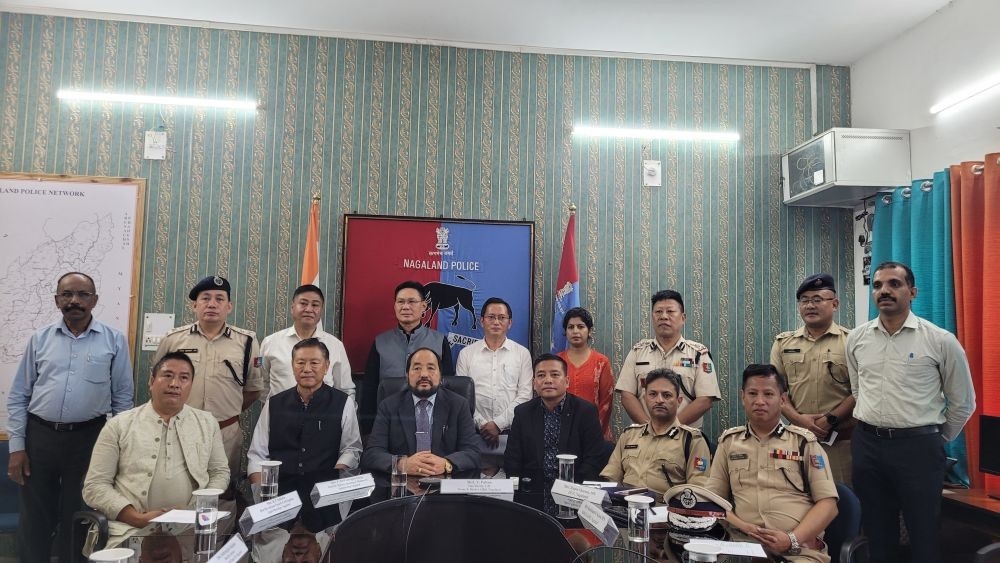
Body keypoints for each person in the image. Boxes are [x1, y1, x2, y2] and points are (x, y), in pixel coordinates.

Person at [847, 261, 975, 563]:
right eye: (878, 286)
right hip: (868, 445)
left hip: (918, 449)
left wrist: (933, 439)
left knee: (923, 533)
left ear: (912, 292)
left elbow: (963, 403)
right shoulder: (857, 339)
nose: (884, 291)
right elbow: (858, 391)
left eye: (894, 284)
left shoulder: (940, 340)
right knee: (877, 533)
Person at [6, 272, 134, 563]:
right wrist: (17, 448)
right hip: (40, 437)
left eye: (83, 294)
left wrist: (121, 450)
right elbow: (18, 396)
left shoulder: (113, 340)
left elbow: (123, 400)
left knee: (80, 514)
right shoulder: (39, 339)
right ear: (56, 300)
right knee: (34, 518)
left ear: (95, 300)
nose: (74, 300)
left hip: (90, 438)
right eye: (67, 294)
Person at [82, 352, 229, 550]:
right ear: (152, 381)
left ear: (190, 386)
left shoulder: (207, 423)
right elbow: (95, 486)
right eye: (167, 375)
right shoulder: (119, 425)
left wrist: (195, 509)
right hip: (130, 529)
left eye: (184, 378)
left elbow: (220, 472)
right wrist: (136, 518)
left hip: (189, 528)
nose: (175, 383)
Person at [707, 364, 839, 563]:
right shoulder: (729, 443)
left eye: (768, 394)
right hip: (742, 547)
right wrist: (744, 526)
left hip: (798, 550)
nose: (760, 401)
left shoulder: (803, 442)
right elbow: (712, 502)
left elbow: (829, 505)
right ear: (743, 397)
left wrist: (791, 539)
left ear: (782, 399)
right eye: (752, 393)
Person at [154, 275, 265, 478]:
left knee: (222, 491)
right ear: (194, 305)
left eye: (219, 299)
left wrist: (227, 412)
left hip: (226, 432)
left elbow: (254, 389)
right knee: (178, 487)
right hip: (180, 429)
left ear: (229, 306)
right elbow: (157, 386)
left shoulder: (247, 342)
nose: (212, 304)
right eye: (205, 298)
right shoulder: (173, 340)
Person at [248, 338, 362, 532]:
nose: (307, 369)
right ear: (292, 366)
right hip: (279, 498)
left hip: (324, 497)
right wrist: (264, 499)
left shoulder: (342, 402)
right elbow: (257, 454)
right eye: (300, 363)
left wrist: (332, 480)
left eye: (314, 363)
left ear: (326, 366)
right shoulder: (274, 404)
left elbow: (351, 449)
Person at [770, 273, 854, 486]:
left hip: (841, 443)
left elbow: (861, 391)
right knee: (799, 499)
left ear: (834, 304)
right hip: (798, 439)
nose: (810, 306)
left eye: (817, 299)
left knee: (842, 503)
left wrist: (829, 420)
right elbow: (775, 390)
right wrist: (798, 420)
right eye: (804, 300)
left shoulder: (852, 342)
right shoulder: (783, 343)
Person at [361, 347, 480, 481]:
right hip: (402, 487)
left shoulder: (459, 405)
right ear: (407, 375)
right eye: (416, 368)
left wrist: (447, 464)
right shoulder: (389, 406)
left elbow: (473, 453)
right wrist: (401, 464)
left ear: (440, 376)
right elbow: (372, 454)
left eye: (431, 368)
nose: (424, 374)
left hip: (445, 487)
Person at [616, 290, 721, 429]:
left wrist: (671, 427)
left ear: (683, 318)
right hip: (645, 437)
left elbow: (706, 399)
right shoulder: (637, 352)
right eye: (658, 312)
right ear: (652, 317)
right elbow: (627, 395)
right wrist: (650, 429)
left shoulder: (699, 354)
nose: (664, 316)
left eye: (670, 312)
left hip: (685, 437)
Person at [360, 281, 453, 435]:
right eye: (400, 302)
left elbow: (447, 384)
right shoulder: (380, 342)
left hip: (430, 422)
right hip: (388, 422)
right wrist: (368, 428)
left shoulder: (439, 341)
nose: (405, 307)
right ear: (395, 306)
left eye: (412, 302)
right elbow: (370, 388)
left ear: (423, 306)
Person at [503, 353, 610, 488]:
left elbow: (594, 458)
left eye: (555, 375)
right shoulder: (522, 412)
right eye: (541, 375)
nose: (548, 380)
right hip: (533, 491)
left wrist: (573, 491)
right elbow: (512, 459)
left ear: (567, 382)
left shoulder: (585, 411)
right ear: (534, 383)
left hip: (574, 491)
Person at [601, 369, 711, 494]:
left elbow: (697, 491)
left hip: (665, 510)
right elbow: (611, 478)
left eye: (667, 395)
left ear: (679, 401)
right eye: (653, 394)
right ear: (645, 398)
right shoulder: (629, 435)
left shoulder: (692, 440)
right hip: (625, 508)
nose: (659, 400)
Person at [455, 297, 533, 452]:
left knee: (511, 475)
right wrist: (483, 424)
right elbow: (462, 397)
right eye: (491, 317)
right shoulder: (466, 354)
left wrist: (498, 424)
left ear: (509, 323)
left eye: (502, 318)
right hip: (474, 433)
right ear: (482, 321)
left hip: (512, 433)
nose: (496, 322)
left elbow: (525, 395)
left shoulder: (522, 354)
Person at [260, 284, 354, 399]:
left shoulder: (335, 345)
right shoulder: (270, 342)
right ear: (292, 307)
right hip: (281, 413)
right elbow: (261, 384)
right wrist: (275, 406)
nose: (309, 309)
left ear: (321, 310)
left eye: (315, 305)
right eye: (303, 304)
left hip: (324, 414)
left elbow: (345, 389)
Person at [556, 307, 614, 441]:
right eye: (571, 327)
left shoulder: (601, 362)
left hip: (594, 433)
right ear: (565, 331)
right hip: (561, 432)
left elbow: (606, 402)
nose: (575, 331)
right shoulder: (556, 362)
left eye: (580, 326)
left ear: (589, 331)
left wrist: (593, 431)